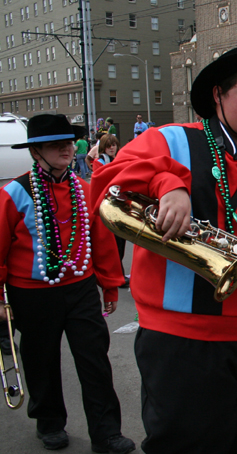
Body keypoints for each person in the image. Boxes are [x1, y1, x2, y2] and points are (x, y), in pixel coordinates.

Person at [89, 45, 237, 453]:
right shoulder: (170, 140)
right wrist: (167, 184)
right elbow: (106, 181)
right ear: (218, 94)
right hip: (183, 340)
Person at [0, 114, 134, 453]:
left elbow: (101, 240)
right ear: (36, 152)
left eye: (69, 143)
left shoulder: (84, 190)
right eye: (55, 144)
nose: (67, 149)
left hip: (80, 289)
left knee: (94, 359)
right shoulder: (14, 193)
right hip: (31, 293)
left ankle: (106, 433)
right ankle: (49, 423)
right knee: (41, 360)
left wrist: (109, 284)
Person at [93, 134, 129, 288]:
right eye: (108, 145)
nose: (112, 148)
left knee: (121, 243)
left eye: (113, 145)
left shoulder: (120, 159)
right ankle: (117, 276)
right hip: (108, 207)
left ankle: (118, 274)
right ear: (103, 147)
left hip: (121, 206)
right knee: (113, 246)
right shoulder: (99, 162)